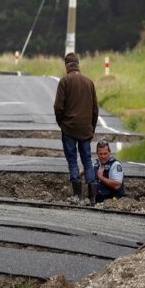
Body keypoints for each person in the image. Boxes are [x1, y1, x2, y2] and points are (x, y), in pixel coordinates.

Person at [54, 52, 99, 205]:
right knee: (87, 160)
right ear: (78, 64)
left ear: (67, 65)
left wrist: (62, 124)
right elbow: (95, 109)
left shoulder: (64, 82)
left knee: (72, 160)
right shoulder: (89, 82)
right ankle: (92, 197)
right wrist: (91, 127)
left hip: (69, 128)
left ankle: (77, 195)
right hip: (85, 128)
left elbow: (58, 107)